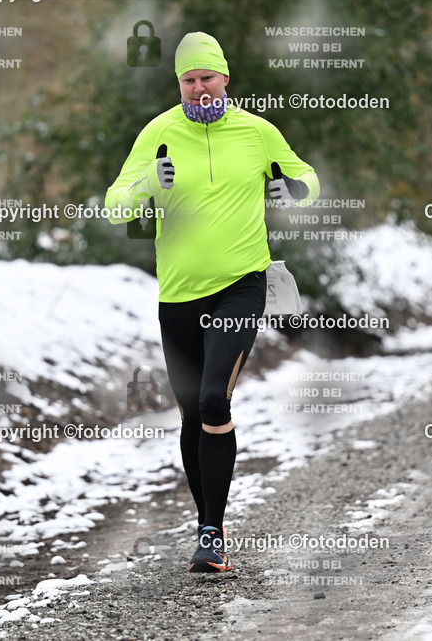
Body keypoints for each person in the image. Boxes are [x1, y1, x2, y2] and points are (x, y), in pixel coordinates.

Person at [105, 32, 319, 572]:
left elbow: (307, 178)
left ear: (226, 78)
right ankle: (207, 523)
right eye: (188, 80)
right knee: (188, 414)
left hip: (239, 286)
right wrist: (148, 183)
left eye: (207, 77)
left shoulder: (256, 132)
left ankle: (211, 533)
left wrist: (291, 190)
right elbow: (113, 204)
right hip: (177, 296)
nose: (199, 88)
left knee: (213, 403)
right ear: (179, 83)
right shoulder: (158, 134)